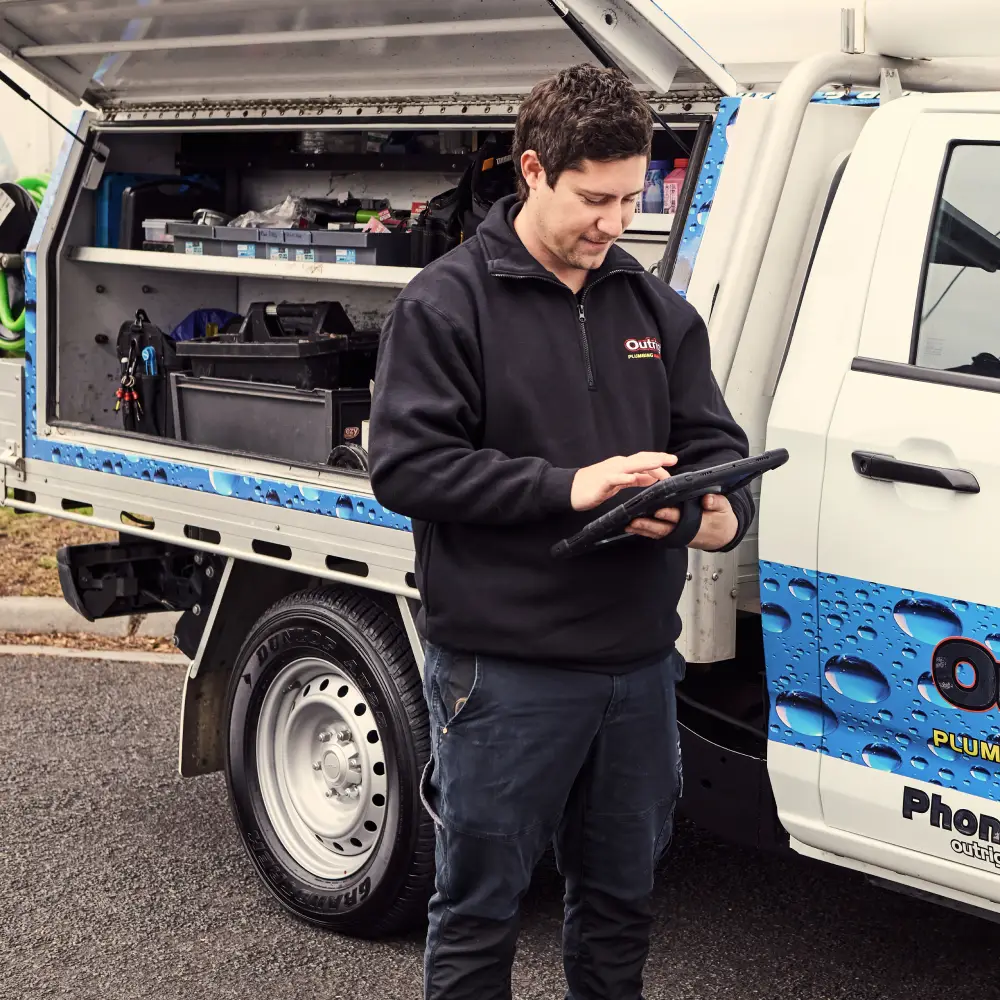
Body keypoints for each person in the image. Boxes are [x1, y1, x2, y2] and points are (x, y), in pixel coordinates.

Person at [367, 63, 754, 1000]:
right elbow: (407, 468)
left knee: (621, 905)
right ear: (532, 170)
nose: (615, 224)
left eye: (630, 198)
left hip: (637, 670)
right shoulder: (445, 303)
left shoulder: (655, 312)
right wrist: (570, 487)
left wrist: (712, 516)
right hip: (504, 674)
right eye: (593, 198)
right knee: (480, 911)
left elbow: (716, 446)